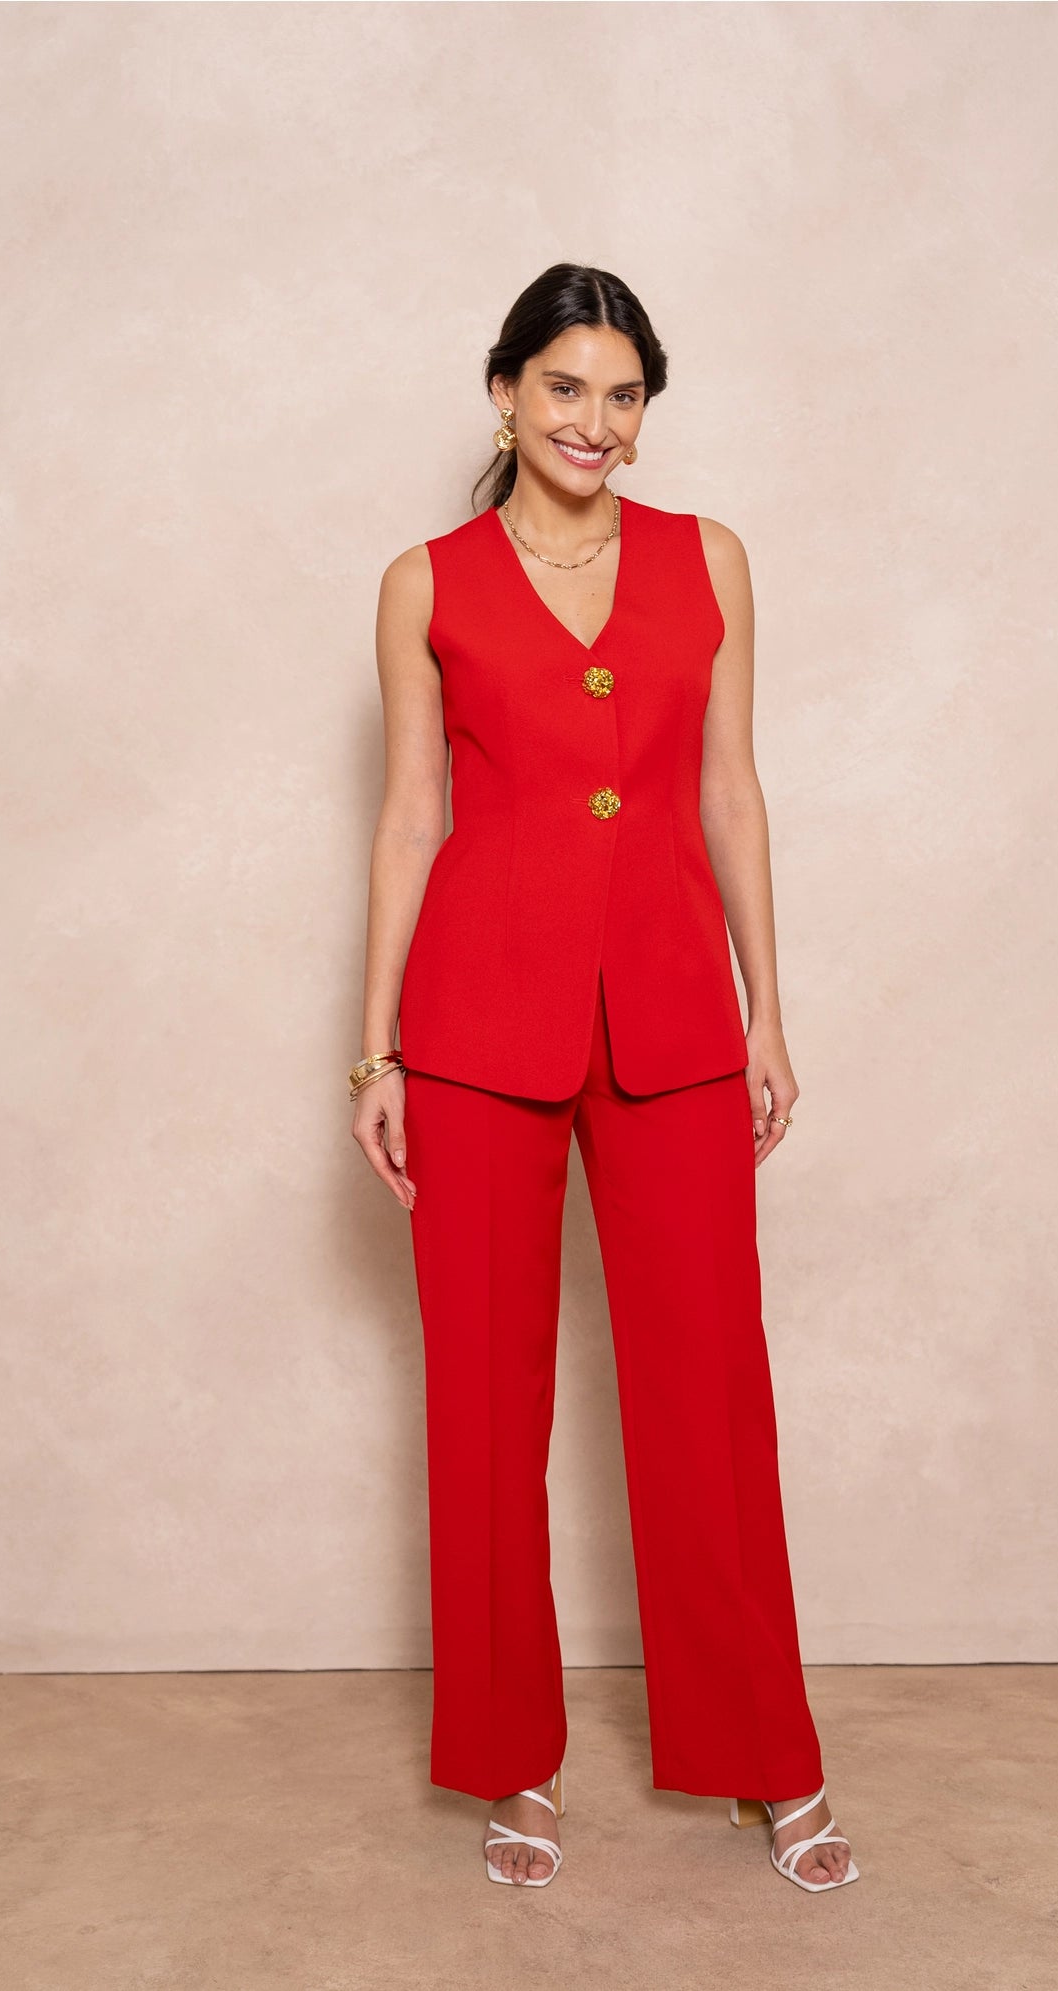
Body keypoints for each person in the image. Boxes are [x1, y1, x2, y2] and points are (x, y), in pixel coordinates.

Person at [351, 264, 859, 1894]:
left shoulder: (708, 559)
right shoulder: (423, 583)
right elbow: (409, 815)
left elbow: (731, 790)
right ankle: (514, 1763)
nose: (596, 422)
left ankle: (763, 1759)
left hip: (672, 1022)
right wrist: (375, 1048)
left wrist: (765, 1012)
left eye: (624, 394)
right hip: (473, 1031)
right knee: (482, 1409)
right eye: (565, 387)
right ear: (504, 392)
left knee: (710, 1395)